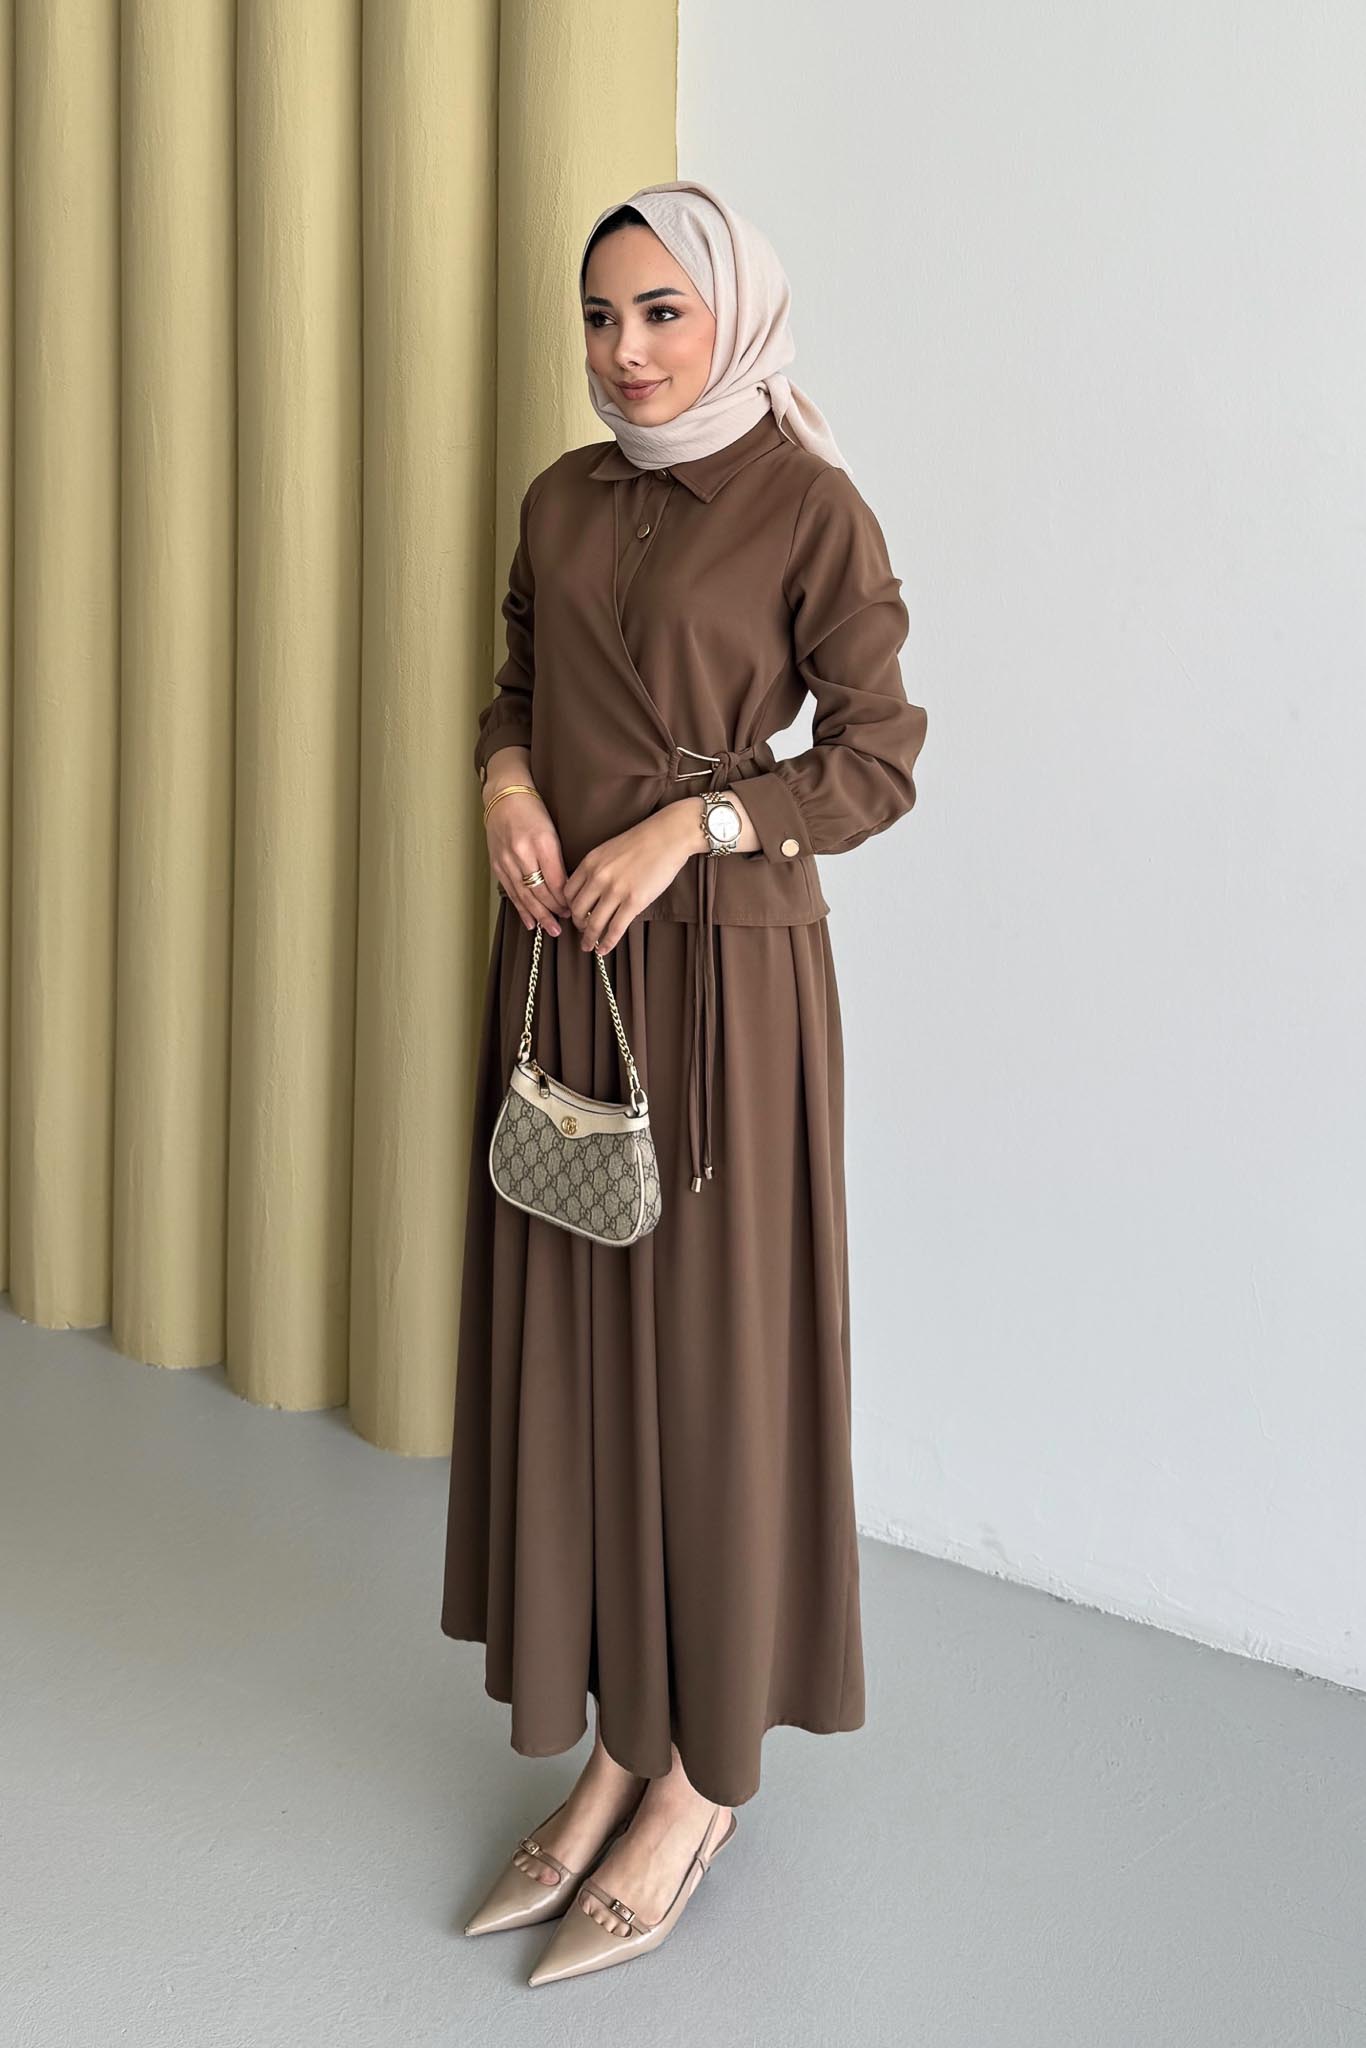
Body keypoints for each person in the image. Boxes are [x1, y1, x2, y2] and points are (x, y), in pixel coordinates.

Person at [442, 178, 928, 1987]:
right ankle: (615, 1741)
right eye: (601, 317)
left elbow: (876, 759)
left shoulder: (807, 503)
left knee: (712, 1367)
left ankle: (699, 1778)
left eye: (661, 312)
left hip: (724, 985)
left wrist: (695, 825)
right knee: (581, 1351)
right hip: (565, 963)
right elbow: (516, 681)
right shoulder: (562, 497)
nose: (625, 351)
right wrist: (506, 787)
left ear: (734, 314)